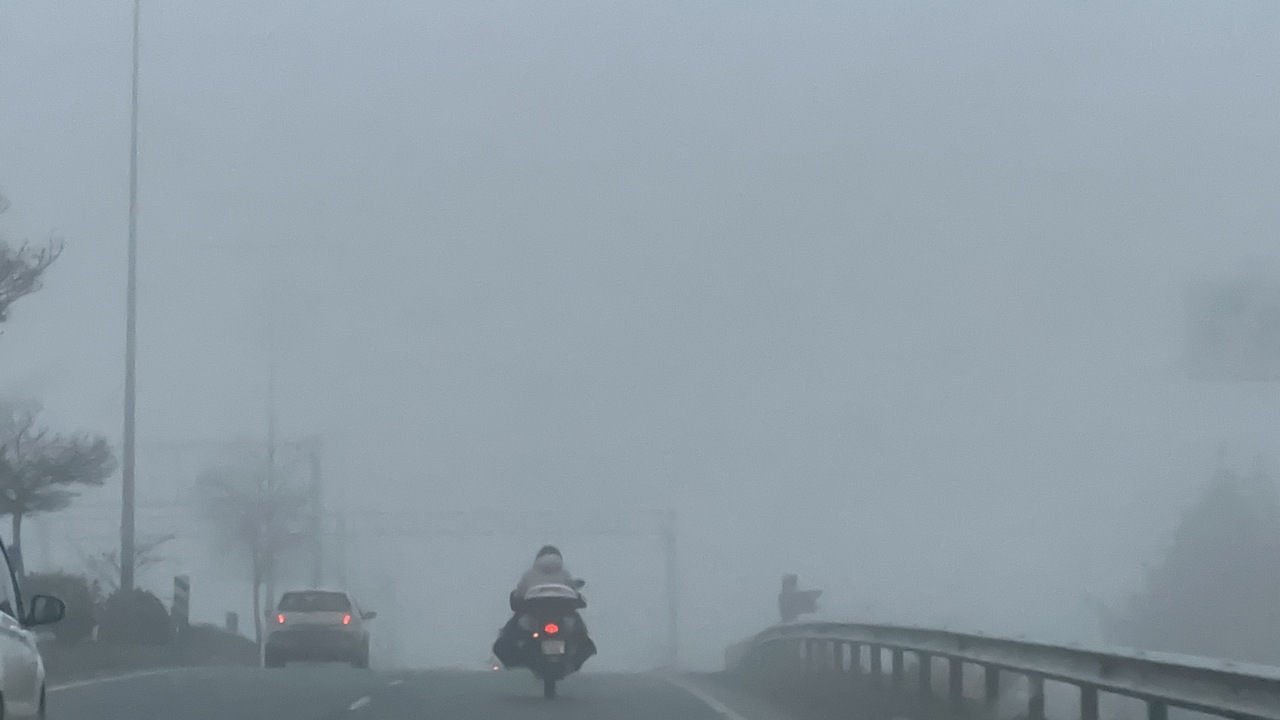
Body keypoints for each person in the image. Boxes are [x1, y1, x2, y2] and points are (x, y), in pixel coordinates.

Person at [492, 545, 596, 670]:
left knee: (505, 640)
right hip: (562, 615)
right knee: (583, 639)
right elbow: (575, 594)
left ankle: (518, 664)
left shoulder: (529, 575)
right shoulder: (564, 574)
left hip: (534, 615)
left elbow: (518, 595)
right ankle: (572, 665)